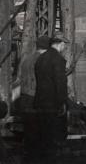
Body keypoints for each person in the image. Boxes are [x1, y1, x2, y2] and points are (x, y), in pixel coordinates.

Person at [34, 35, 69, 163]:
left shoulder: (40, 59)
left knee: (44, 136)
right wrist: (62, 103)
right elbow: (60, 84)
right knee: (55, 137)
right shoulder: (58, 59)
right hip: (53, 105)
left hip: (40, 102)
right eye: (64, 44)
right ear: (59, 43)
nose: (65, 47)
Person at [19, 35, 50, 163]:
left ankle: (28, 157)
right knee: (40, 133)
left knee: (29, 132)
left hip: (25, 99)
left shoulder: (27, 59)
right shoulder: (43, 60)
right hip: (36, 100)